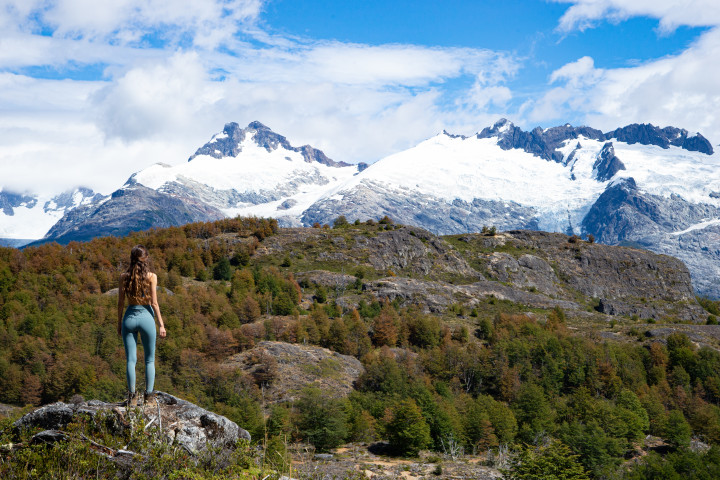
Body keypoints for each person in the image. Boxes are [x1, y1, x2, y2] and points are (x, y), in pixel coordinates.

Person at [117, 245, 167, 407]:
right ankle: (149, 398)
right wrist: (161, 325)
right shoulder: (152, 277)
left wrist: (119, 323)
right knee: (149, 360)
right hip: (146, 318)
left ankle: (132, 397)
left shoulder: (124, 277)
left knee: (130, 360)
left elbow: (120, 303)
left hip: (129, 318)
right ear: (146, 259)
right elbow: (154, 303)